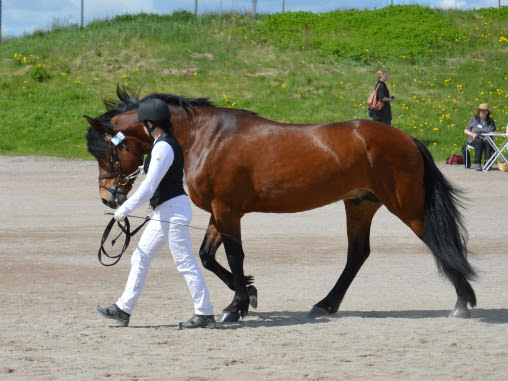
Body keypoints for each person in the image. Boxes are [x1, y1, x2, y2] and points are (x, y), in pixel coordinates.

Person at [96, 98, 216, 329]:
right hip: (166, 211)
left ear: (150, 124)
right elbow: (171, 177)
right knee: (139, 257)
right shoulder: (165, 144)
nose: (142, 127)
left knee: (185, 262)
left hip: (173, 212)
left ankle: (205, 313)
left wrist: (125, 209)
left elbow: (149, 187)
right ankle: (123, 309)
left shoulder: (162, 147)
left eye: (143, 124)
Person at [464, 103, 496, 171]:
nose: (483, 112)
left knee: (489, 142)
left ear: (487, 112)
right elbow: (466, 130)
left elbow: (494, 133)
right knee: (479, 142)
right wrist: (472, 134)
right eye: (481, 111)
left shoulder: (491, 121)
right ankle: (477, 163)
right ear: (479, 111)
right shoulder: (474, 119)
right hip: (474, 139)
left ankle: (487, 163)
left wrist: (490, 137)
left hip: (486, 139)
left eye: (485, 111)